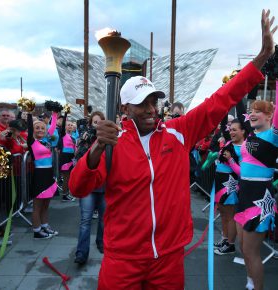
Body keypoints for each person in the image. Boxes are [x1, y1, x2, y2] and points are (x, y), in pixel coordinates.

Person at [69, 10, 276, 289]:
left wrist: (262, 57)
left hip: (168, 257)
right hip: (123, 258)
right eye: (142, 103)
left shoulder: (179, 131)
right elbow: (78, 187)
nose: (151, 109)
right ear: (125, 108)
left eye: (154, 100)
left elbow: (221, 98)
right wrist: (96, 148)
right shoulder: (111, 142)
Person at [234, 96, 278, 290]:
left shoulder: (273, 136)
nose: (252, 113)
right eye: (251, 110)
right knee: (243, 247)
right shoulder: (251, 135)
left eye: (257, 111)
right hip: (244, 194)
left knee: (251, 252)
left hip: (260, 196)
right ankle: (250, 283)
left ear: (270, 116)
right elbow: (239, 106)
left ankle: (257, 287)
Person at [74, 111, 106, 265]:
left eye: (101, 122)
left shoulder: (109, 140)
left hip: (104, 186)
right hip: (89, 188)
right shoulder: (85, 140)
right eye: (95, 122)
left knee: (103, 220)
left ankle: (101, 243)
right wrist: (83, 142)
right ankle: (81, 253)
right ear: (90, 124)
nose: (97, 125)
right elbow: (78, 159)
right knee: (85, 220)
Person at [213, 118, 247, 255]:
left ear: (243, 131)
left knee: (230, 214)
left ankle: (230, 244)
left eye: (235, 129)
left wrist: (231, 160)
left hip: (230, 183)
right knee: (222, 212)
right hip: (220, 181)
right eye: (230, 129)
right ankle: (224, 238)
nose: (231, 132)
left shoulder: (244, 148)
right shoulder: (229, 142)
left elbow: (242, 172)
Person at [27, 110, 59, 239]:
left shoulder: (46, 141)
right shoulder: (32, 142)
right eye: (37, 128)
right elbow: (29, 129)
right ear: (33, 130)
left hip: (49, 174)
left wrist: (55, 115)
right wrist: (29, 113)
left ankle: (45, 226)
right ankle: (37, 230)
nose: (40, 130)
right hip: (39, 174)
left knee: (46, 205)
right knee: (38, 206)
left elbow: (52, 128)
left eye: (42, 128)